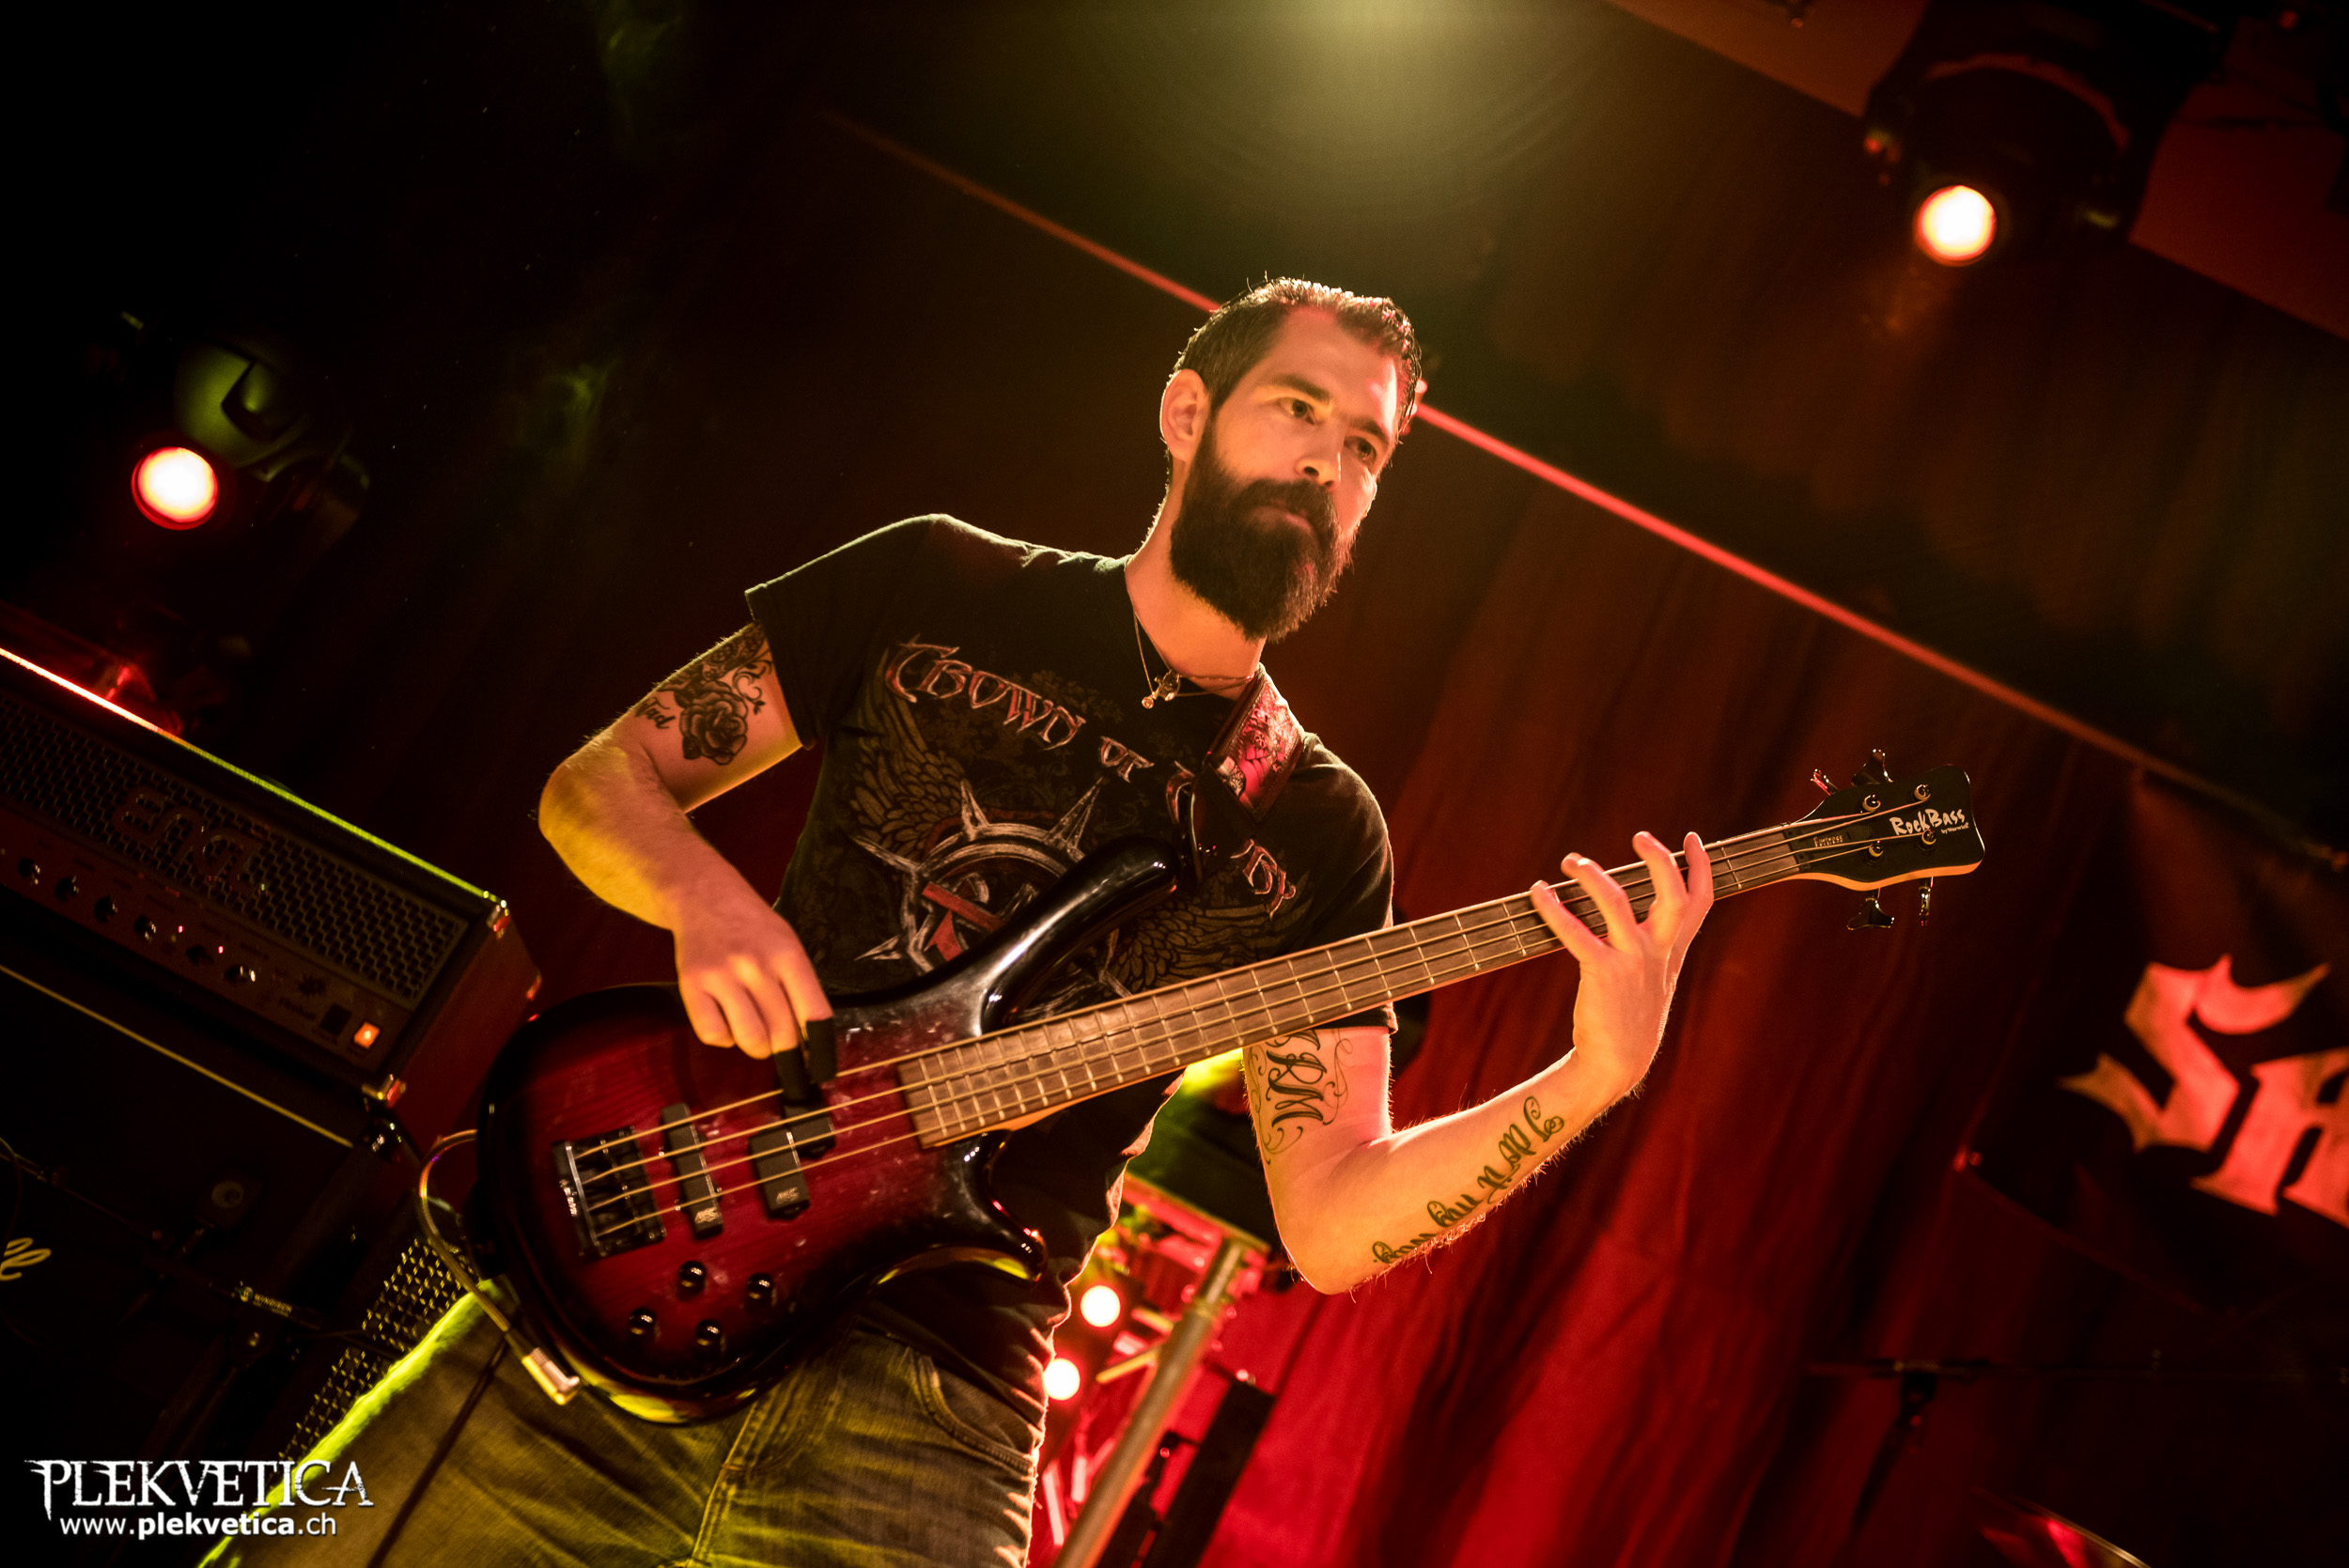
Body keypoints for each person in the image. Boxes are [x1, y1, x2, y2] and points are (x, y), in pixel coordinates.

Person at [204, 280, 1711, 1566]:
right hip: (637, 1283)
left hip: (932, 1405)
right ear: (1187, 411)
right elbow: (600, 786)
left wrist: (1592, 1075)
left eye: (1366, 446)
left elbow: (1327, 1220)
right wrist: (707, 900)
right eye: (1298, 408)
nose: (1326, 461)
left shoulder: (1320, 827)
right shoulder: (938, 579)